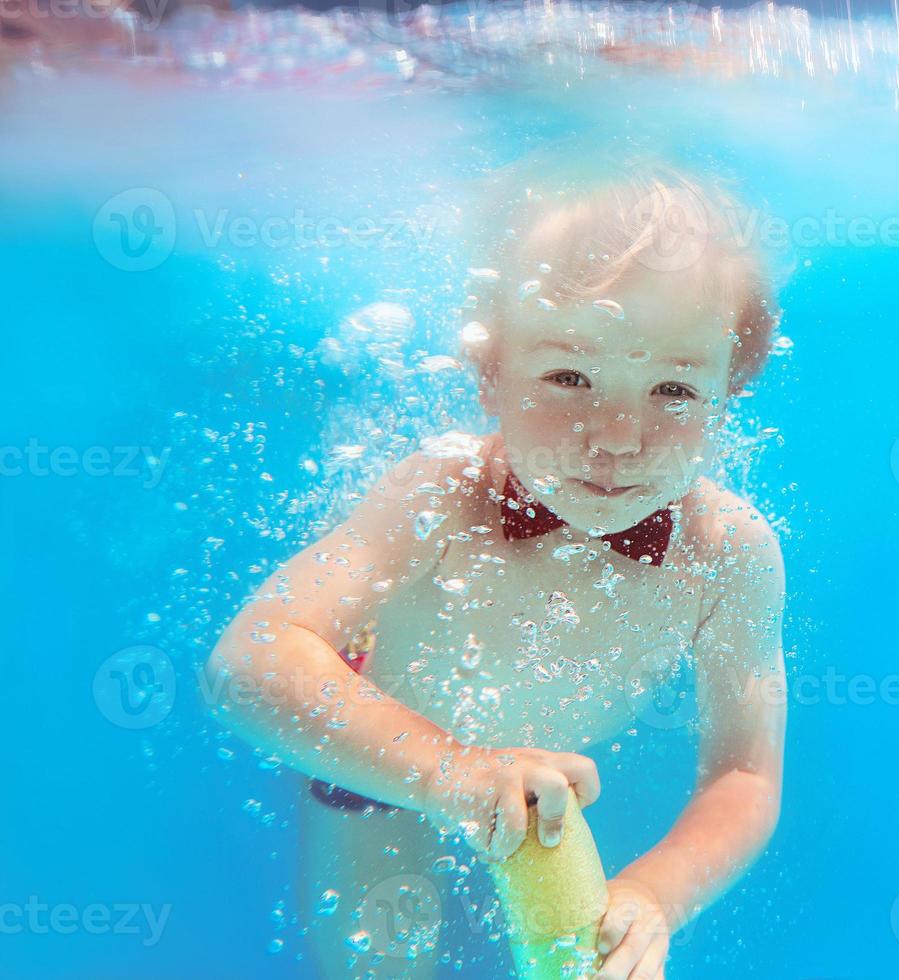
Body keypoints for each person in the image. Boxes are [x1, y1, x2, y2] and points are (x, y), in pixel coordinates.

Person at [205, 151, 788, 979]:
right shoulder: (441, 493)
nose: (618, 436)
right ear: (489, 374)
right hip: (384, 766)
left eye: (673, 391)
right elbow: (249, 659)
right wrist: (452, 775)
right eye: (569, 375)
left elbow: (743, 773)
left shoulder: (730, 554)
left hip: (550, 808)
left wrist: (656, 894)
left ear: (730, 391)